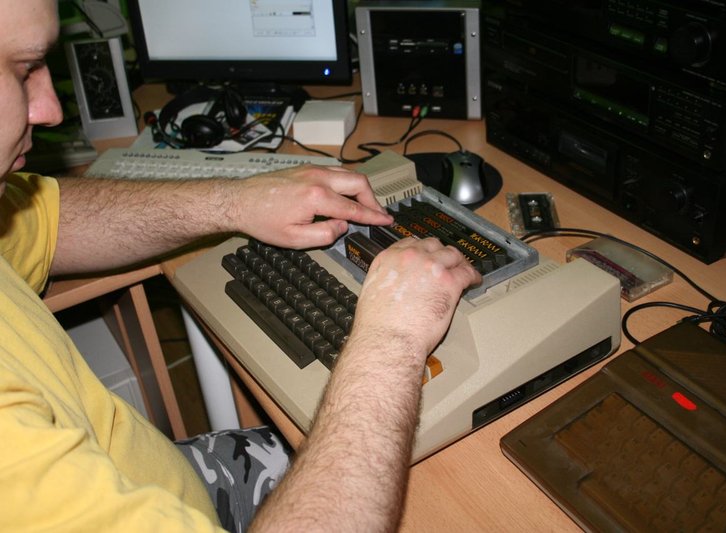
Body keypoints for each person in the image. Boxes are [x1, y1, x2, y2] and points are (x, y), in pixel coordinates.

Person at [0, 1, 482, 532]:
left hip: (142, 474)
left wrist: (233, 201)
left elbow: (51, 220)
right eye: (23, 70)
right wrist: (390, 340)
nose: (50, 109)